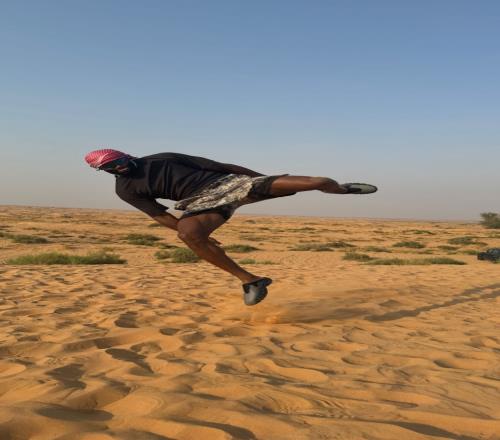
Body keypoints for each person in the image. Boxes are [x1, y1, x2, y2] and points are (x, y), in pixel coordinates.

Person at [85, 148, 377, 306]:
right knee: (189, 234)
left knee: (318, 182)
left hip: (231, 183)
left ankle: (342, 189)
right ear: (103, 172)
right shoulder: (125, 190)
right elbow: (159, 215)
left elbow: (218, 165)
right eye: (112, 168)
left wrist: (260, 180)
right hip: (201, 203)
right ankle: (251, 281)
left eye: (120, 162)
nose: (120, 168)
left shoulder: (162, 158)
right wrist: (196, 237)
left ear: (125, 155)